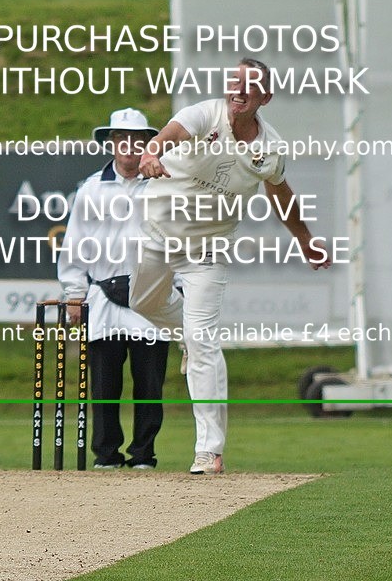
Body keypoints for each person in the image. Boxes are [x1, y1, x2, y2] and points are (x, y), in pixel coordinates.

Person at [130, 58, 332, 475]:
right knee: (142, 304)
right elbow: (168, 136)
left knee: (204, 341)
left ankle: (209, 451)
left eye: (250, 85)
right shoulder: (205, 114)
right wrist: (151, 153)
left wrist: (306, 240)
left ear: (265, 98)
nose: (239, 90)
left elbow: (281, 196)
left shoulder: (269, 149)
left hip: (207, 250)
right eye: (235, 81)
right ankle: (185, 336)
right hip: (156, 231)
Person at [58, 108, 170, 470]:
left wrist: (180, 289)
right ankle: (106, 455)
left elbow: (179, 241)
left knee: (149, 384)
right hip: (104, 296)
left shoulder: (164, 186)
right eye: (122, 139)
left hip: (151, 295)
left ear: (147, 145)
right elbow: (76, 244)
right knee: (105, 384)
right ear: (111, 143)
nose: (130, 147)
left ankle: (143, 454)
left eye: (138, 140)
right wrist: (74, 293)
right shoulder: (91, 188)